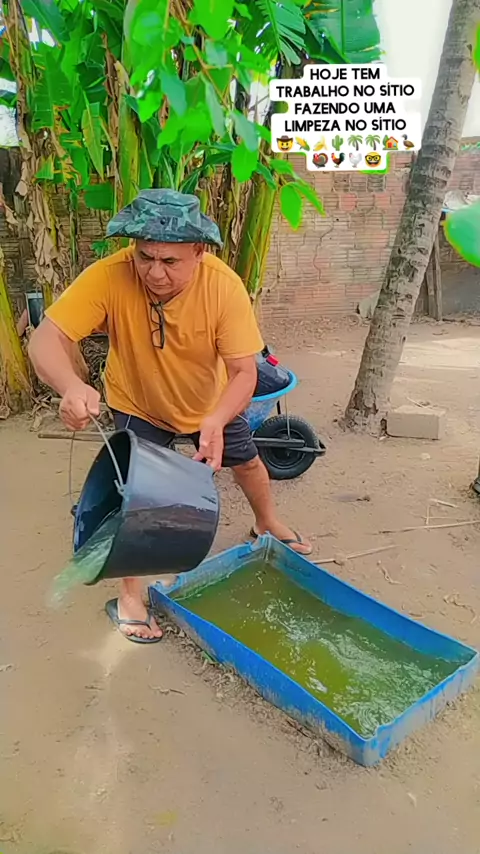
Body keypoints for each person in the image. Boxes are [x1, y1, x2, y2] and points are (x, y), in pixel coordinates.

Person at [29, 189, 312, 644]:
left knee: (247, 462)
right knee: (134, 497)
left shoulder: (223, 287)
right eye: (145, 257)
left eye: (170, 261)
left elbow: (243, 373)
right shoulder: (109, 275)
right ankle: (130, 596)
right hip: (137, 400)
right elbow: (46, 338)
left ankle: (266, 522)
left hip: (210, 403)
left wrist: (216, 420)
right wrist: (71, 386)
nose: (155, 272)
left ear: (199, 252)